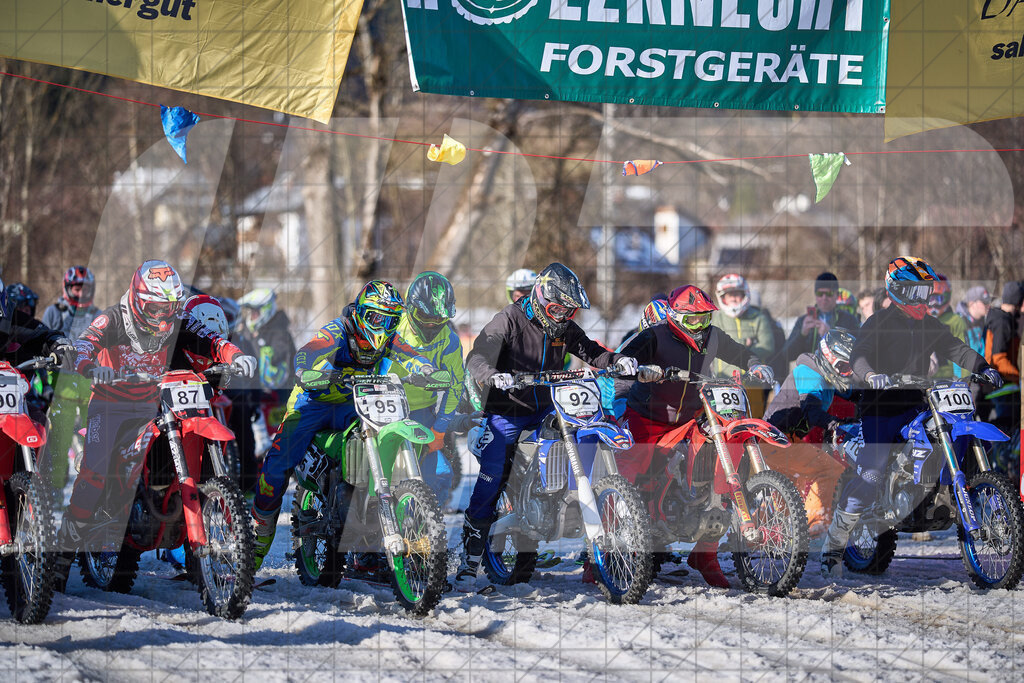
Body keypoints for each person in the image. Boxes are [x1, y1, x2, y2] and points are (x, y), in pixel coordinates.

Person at [53, 261, 257, 587]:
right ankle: (59, 559)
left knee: (193, 447)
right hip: (112, 402)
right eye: (156, 308)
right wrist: (90, 366)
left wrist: (234, 355)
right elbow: (84, 344)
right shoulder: (115, 318)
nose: (164, 317)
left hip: (158, 398)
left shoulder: (178, 320)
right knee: (96, 471)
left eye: (171, 308)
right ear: (137, 299)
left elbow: (210, 339)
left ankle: (194, 552)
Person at [455, 263, 639, 590]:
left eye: (569, 311)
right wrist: (492, 373)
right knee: (494, 472)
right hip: (509, 411)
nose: (563, 316)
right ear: (540, 298)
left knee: (588, 433)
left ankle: (564, 502)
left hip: (548, 405)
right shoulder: (510, 318)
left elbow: (591, 351)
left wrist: (616, 361)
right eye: (557, 308)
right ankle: (470, 556)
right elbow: (478, 354)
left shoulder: (564, 327)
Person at [821, 256, 1001, 577]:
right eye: (916, 292)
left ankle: (935, 494)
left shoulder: (929, 324)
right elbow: (860, 354)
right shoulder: (878, 322)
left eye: (926, 291)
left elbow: (955, 348)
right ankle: (835, 541)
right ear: (898, 291)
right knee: (872, 473)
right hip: (881, 410)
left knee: (949, 432)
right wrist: (871, 374)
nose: (924, 299)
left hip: (918, 404)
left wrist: (983, 367)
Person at [617, 284, 774, 587]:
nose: (700, 326)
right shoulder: (656, 335)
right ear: (675, 317)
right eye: (693, 320)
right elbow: (626, 357)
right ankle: (601, 555)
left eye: (704, 318)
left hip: (692, 415)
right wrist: (636, 368)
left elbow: (738, 351)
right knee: (633, 473)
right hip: (649, 417)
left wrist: (755, 363)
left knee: (715, 465)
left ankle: (706, 553)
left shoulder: (712, 335)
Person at [249, 281, 407, 571]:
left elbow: (413, 356)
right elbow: (309, 350)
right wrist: (303, 370)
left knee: (382, 445)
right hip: (313, 400)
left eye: (390, 320)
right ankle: (259, 533)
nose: (382, 326)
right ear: (360, 312)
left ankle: (369, 540)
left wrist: (427, 371)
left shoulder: (390, 339)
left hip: (353, 403)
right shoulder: (339, 330)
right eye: (375, 318)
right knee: (278, 464)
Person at [379, 272, 481, 502]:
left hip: (420, 411)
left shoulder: (450, 340)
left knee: (440, 474)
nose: (431, 323)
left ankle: (423, 529)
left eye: (438, 318)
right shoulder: (390, 326)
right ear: (410, 308)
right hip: (379, 406)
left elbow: (455, 386)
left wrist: (439, 430)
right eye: (424, 316)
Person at [762, 329, 858, 535]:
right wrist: (835, 424)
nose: (847, 373)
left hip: (783, 439)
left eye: (851, 369)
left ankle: (760, 535)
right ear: (829, 359)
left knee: (788, 492)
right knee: (828, 469)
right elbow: (812, 411)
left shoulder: (826, 373)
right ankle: (815, 525)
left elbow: (855, 394)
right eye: (843, 367)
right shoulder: (809, 373)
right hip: (774, 439)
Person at [41, 266, 105, 490]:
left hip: (90, 382)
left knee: (95, 436)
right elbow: (43, 341)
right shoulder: (55, 312)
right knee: (60, 438)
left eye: (84, 289)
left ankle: (93, 487)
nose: (80, 293)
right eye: (76, 289)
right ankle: (56, 491)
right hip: (63, 382)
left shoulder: (98, 315)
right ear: (68, 288)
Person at [0, 276, 76, 425]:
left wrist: (58, 344)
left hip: (13, 401)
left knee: (39, 422)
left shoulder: (12, 320)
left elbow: (42, 334)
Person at [710, 273, 776, 417]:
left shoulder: (758, 317)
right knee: (727, 424)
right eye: (729, 294)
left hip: (754, 383)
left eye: (737, 294)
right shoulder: (717, 318)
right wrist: (744, 344)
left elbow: (768, 345)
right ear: (723, 297)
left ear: (745, 294)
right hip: (724, 383)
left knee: (755, 424)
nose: (733, 298)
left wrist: (742, 352)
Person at [778, 272, 861, 366]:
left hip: (838, 373)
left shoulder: (848, 319)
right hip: (810, 373)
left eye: (829, 293)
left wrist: (830, 335)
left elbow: (856, 352)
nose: (824, 297)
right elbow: (786, 355)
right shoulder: (804, 320)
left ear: (836, 295)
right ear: (815, 295)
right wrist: (802, 334)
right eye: (820, 293)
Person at [928, 274, 968, 378]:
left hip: (949, 378)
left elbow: (963, 351)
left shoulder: (955, 321)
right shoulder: (920, 320)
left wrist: (965, 379)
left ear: (946, 298)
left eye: (939, 299)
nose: (934, 304)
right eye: (930, 299)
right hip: (924, 377)